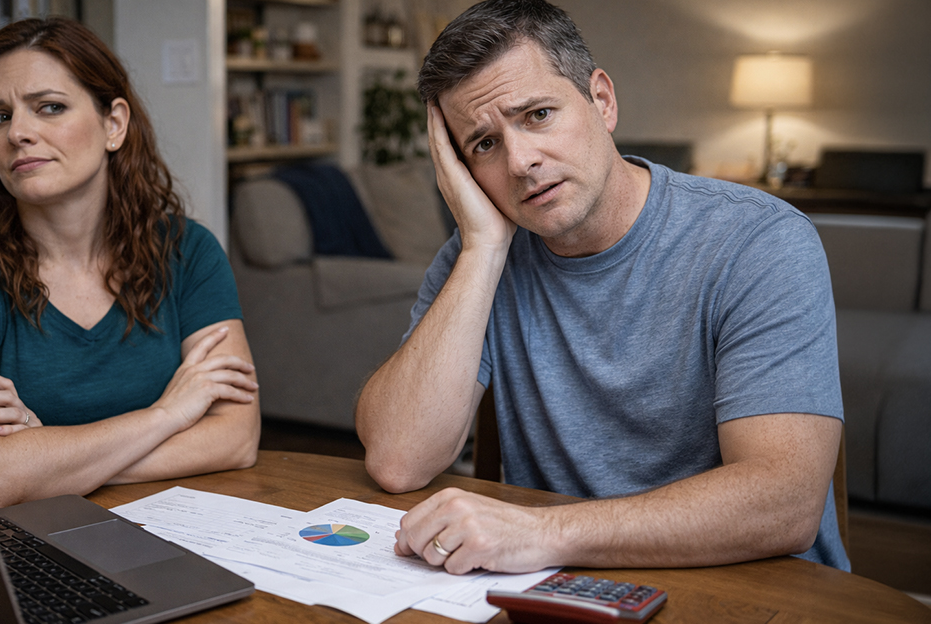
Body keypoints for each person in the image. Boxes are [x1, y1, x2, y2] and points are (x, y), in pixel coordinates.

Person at [355, 0, 848, 574]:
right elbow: (397, 460)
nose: (520, 162)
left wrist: (541, 532)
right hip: (564, 586)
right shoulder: (478, 256)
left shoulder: (759, 242)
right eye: (483, 144)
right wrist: (483, 249)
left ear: (602, 101)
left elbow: (783, 504)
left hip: (757, 590)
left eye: (537, 115)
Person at [0, 18, 259, 510]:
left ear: (114, 124)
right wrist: (167, 415)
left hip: (181, 529)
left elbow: (235, 437)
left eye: (50, 108)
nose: (19, 133)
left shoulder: (187, 250)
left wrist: (48, 456)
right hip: (25, 552)